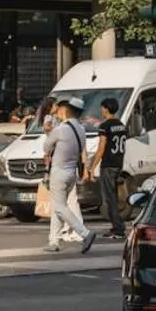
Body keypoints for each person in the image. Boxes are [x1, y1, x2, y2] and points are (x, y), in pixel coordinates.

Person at [43, 99, 95, 255]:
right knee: (58, 206)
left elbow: (46, 147)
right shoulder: (81, 129)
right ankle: (54, 241)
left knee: (59, 207)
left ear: (65, 111)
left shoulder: (60, 129)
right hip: (72, 172)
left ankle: (85, 233)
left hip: (58, 172)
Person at [89, 95, 127, 238]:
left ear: (106, 109)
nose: (101, 110)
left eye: (102, 108)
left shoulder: (105, 126)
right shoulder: (121, 125)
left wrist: (92, 167)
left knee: (110, 198)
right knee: (114, 196)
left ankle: (118, 228)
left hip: (108, 164)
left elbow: (101, 148)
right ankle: (117, 226)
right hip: (118, 163)